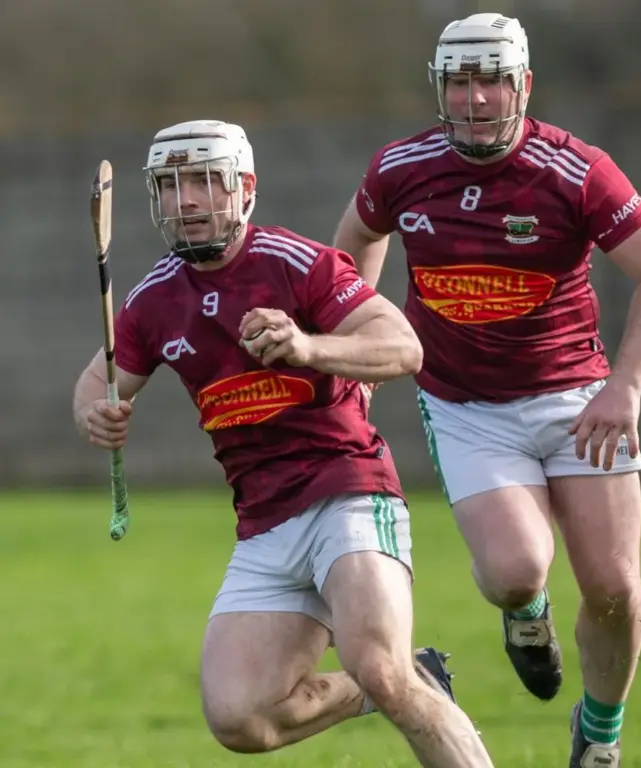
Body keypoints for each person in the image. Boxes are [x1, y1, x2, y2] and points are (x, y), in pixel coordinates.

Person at [332, 13, 641, 767]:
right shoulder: (401, 168)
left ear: (522, 85)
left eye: (491, 81)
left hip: (578, 400)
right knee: (513, 571)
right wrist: (357, 351)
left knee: (614, 587)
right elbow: (355, 245)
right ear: (439, 88)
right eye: (458, 82)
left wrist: (625, 386)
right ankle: (526, 611)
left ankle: (599, 735)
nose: (474, 98)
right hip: (465, 406)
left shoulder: (576, 171)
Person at [73, 119, 496, 767]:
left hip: (348, 495)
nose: (186, 200)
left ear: (244, 188)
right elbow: (96, 383)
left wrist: (307, 347)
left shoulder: (298, 263)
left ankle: (396, 680)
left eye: (204, 182)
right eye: (171, 186)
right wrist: (95, 415)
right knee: (240, 717)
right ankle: (408, 680)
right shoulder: (151, 300)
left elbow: (403, 347)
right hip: (264, 525)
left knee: (380, 665)